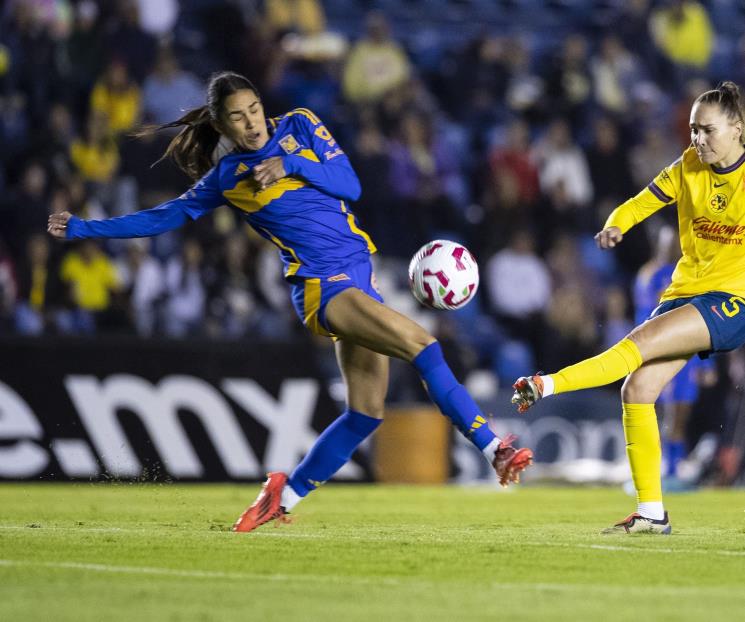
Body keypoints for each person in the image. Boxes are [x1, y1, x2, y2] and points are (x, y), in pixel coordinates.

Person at [47, 71, 533, 533]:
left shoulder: (300, 124)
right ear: (220, 124)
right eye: (237, 117)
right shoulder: (230, 177)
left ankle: (279, 499)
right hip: (325, 288)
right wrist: (87, 227)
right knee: (424, 345)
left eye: (255, 109)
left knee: (365, 414)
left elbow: (351, 185)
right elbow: (164, 217)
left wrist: (292, 163)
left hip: (362, 279)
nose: (251, 122)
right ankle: (494, 449)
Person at [511, 81, 745, 535]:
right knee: (637, 391)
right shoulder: (689, 166)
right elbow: (640, 203)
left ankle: (546, 384)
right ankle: (652, 512)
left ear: (738, 128)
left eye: (708, 130)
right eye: (693, 129)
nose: (697, 138)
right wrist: (614, 225)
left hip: (732, 299)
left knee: (636, 345)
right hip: (684, 293)